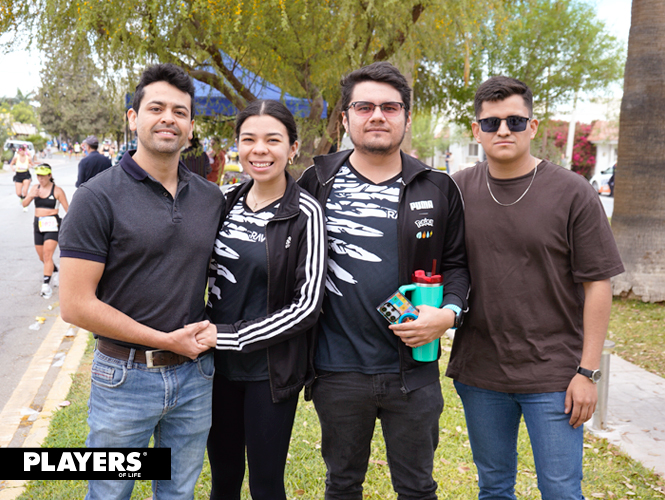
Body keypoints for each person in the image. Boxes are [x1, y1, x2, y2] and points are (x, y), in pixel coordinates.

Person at [446, 76, 625, 500]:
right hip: (481, 371)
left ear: (533, 125)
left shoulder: (573, 192)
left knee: (561, 491)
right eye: (490, 123)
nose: (503, 130)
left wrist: (587, 372)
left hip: (555, 376)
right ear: (476, 130)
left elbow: (598, 283)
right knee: (493, 488)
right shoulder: (457, 190)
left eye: (514, 120)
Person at [298, 61, 470, 500]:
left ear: (407, 118)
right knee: (341, 485)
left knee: (417, 488)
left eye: (390, 107)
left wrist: (447, 316)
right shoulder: (316, 182)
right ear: (345, 118)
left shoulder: (436, 186)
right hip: (336, 370)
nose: (377, 116)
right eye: (365, 106)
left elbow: (457, 265)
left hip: (412, 372)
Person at [59, 63, 224, 500]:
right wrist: (166, 340)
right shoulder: (97, 197)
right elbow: (75, 304)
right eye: (156, 108)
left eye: (180, 111)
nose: (168, 118)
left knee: (178, 494)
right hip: (123, 379)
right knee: (110, 494)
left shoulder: (210, 199)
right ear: (134, 118)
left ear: (191, 125)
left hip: (195, 376)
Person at [196, 99, 326, 500]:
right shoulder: (226, 202)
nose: (259, 149)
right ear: (238, 145)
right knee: (224, 479)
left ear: (292, 147)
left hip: (269, 374)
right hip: (215, 370)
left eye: (273, 139)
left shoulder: (306, 213)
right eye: (249, 139)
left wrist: (228, 336)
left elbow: (307, 306)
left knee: (266, 484)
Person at [21, 164, 69, 299]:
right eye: (38, 176)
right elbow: (24, 204)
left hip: (52, 224)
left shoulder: (57, 191)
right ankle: (55, 270)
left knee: (47, 255)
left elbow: (68, 209)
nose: (40, 179)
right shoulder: (34, 188)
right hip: (38, 224)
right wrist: (30, 196)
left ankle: (46, 285)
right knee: (41, 256)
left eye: (43, 176)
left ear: (49, 175)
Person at [10, 145, 35, 210]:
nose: (22, 151)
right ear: (18, 151)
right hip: (18, 175)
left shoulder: (28, 158)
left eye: (24, 150)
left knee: (25, 191)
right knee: (18, 193)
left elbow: (33, 165)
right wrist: (12, 168)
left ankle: (25, 205)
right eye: (21, 150)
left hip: (26, 174)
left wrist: (30, 166)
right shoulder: (16, 158)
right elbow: (11, 164)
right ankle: (21, 198)